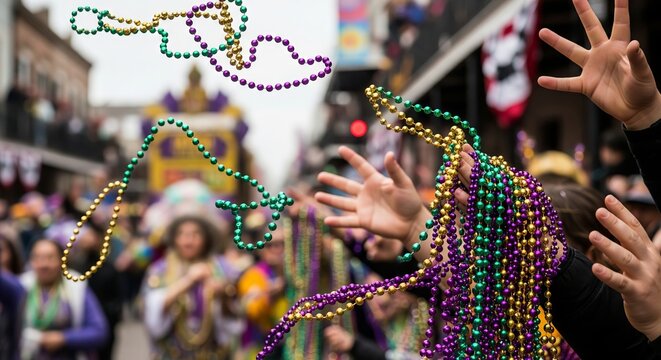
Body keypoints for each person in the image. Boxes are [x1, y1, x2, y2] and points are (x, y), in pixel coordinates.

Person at [142, 215, 242, 359]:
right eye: (182, 234)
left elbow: (236, 313)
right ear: (174, 239)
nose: (189, 241)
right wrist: (188, 281)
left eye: (196, 234)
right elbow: (151, 313)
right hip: (173, 352)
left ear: (205, 239)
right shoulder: (160, 270)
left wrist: (223, 292)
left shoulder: (221, 268)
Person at [20, 239, 108, 360]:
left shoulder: (76, 286)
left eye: (50, 258)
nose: (44, 264)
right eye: (38, 258)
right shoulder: (21, 286)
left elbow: (99, 332)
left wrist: (64, 338)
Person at [324, 273, 427, 360]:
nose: (375, 315)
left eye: (382, 306)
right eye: (370, 307)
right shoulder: (392, 327)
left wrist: (354, 345)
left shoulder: (424, 316)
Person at [236, 228, 288, 359]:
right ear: (260, 248)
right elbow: (252, 311)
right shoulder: (253, 276)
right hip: (262, 349)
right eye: (270, 245)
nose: (277, 249)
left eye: (283, 244)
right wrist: (269, 295)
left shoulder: (297, 275)